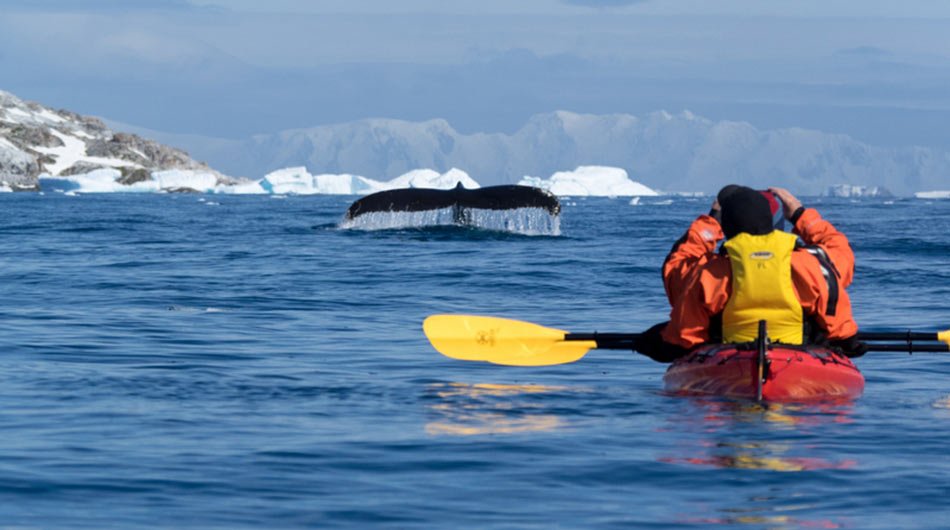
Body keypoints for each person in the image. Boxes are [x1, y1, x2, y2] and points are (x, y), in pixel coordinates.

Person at [636, 184, 867, 362]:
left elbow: (684, 334)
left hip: (730, 357)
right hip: (797, 355)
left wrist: (711, 220)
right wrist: (799, 214)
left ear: (727, 229)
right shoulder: (810, 264)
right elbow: (840, 260)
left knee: (656, 338)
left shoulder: (710, 272)